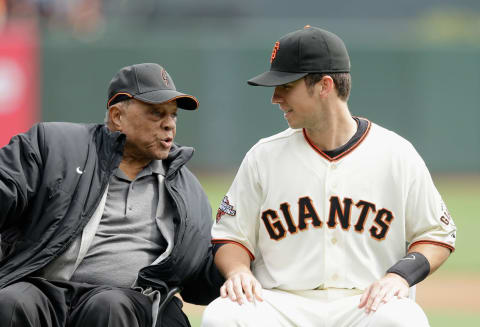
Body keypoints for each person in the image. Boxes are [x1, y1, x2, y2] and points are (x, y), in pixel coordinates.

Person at [201, 26, 456, 327]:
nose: (275, 98)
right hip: (280, 304)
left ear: (324, 86)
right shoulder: (264, 156)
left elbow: (436, 235)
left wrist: (399, 276)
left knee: (404, 319)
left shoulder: (396, 154)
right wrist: (238, 272)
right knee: (222, 316)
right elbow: (230, 235)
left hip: (364, 304)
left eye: (285, 86)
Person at [0, 62, 223, 327]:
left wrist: (250, 255)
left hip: (127, 302)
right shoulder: (56, 146)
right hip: (46, 289)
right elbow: (6, 187)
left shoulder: (187, 191)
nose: (169, 125)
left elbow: (201, 277)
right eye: (156, 113)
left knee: (108, 306)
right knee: (9, 301)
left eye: (173, 115)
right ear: (117, 116)